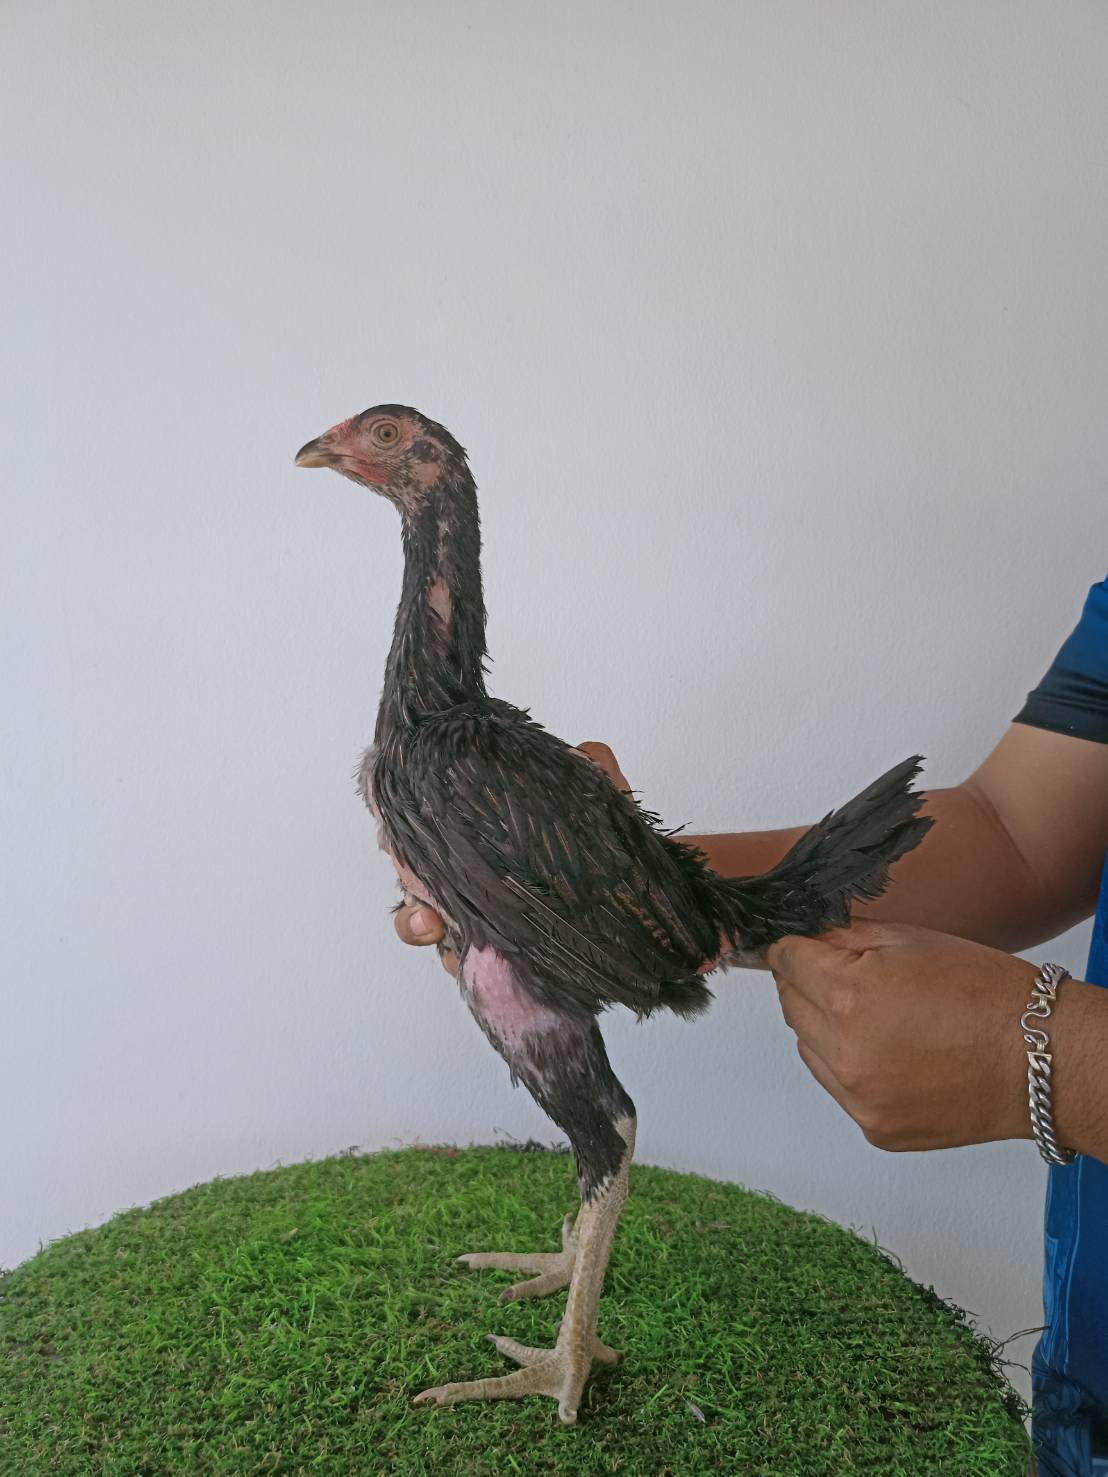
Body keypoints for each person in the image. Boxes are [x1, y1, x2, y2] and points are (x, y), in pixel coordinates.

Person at [393, 577, 1108, 1477]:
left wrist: (1054, 1059)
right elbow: (1018, 835)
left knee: (603, 1123)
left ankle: (575, 1332)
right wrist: (602, 872)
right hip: (1086, 1366)